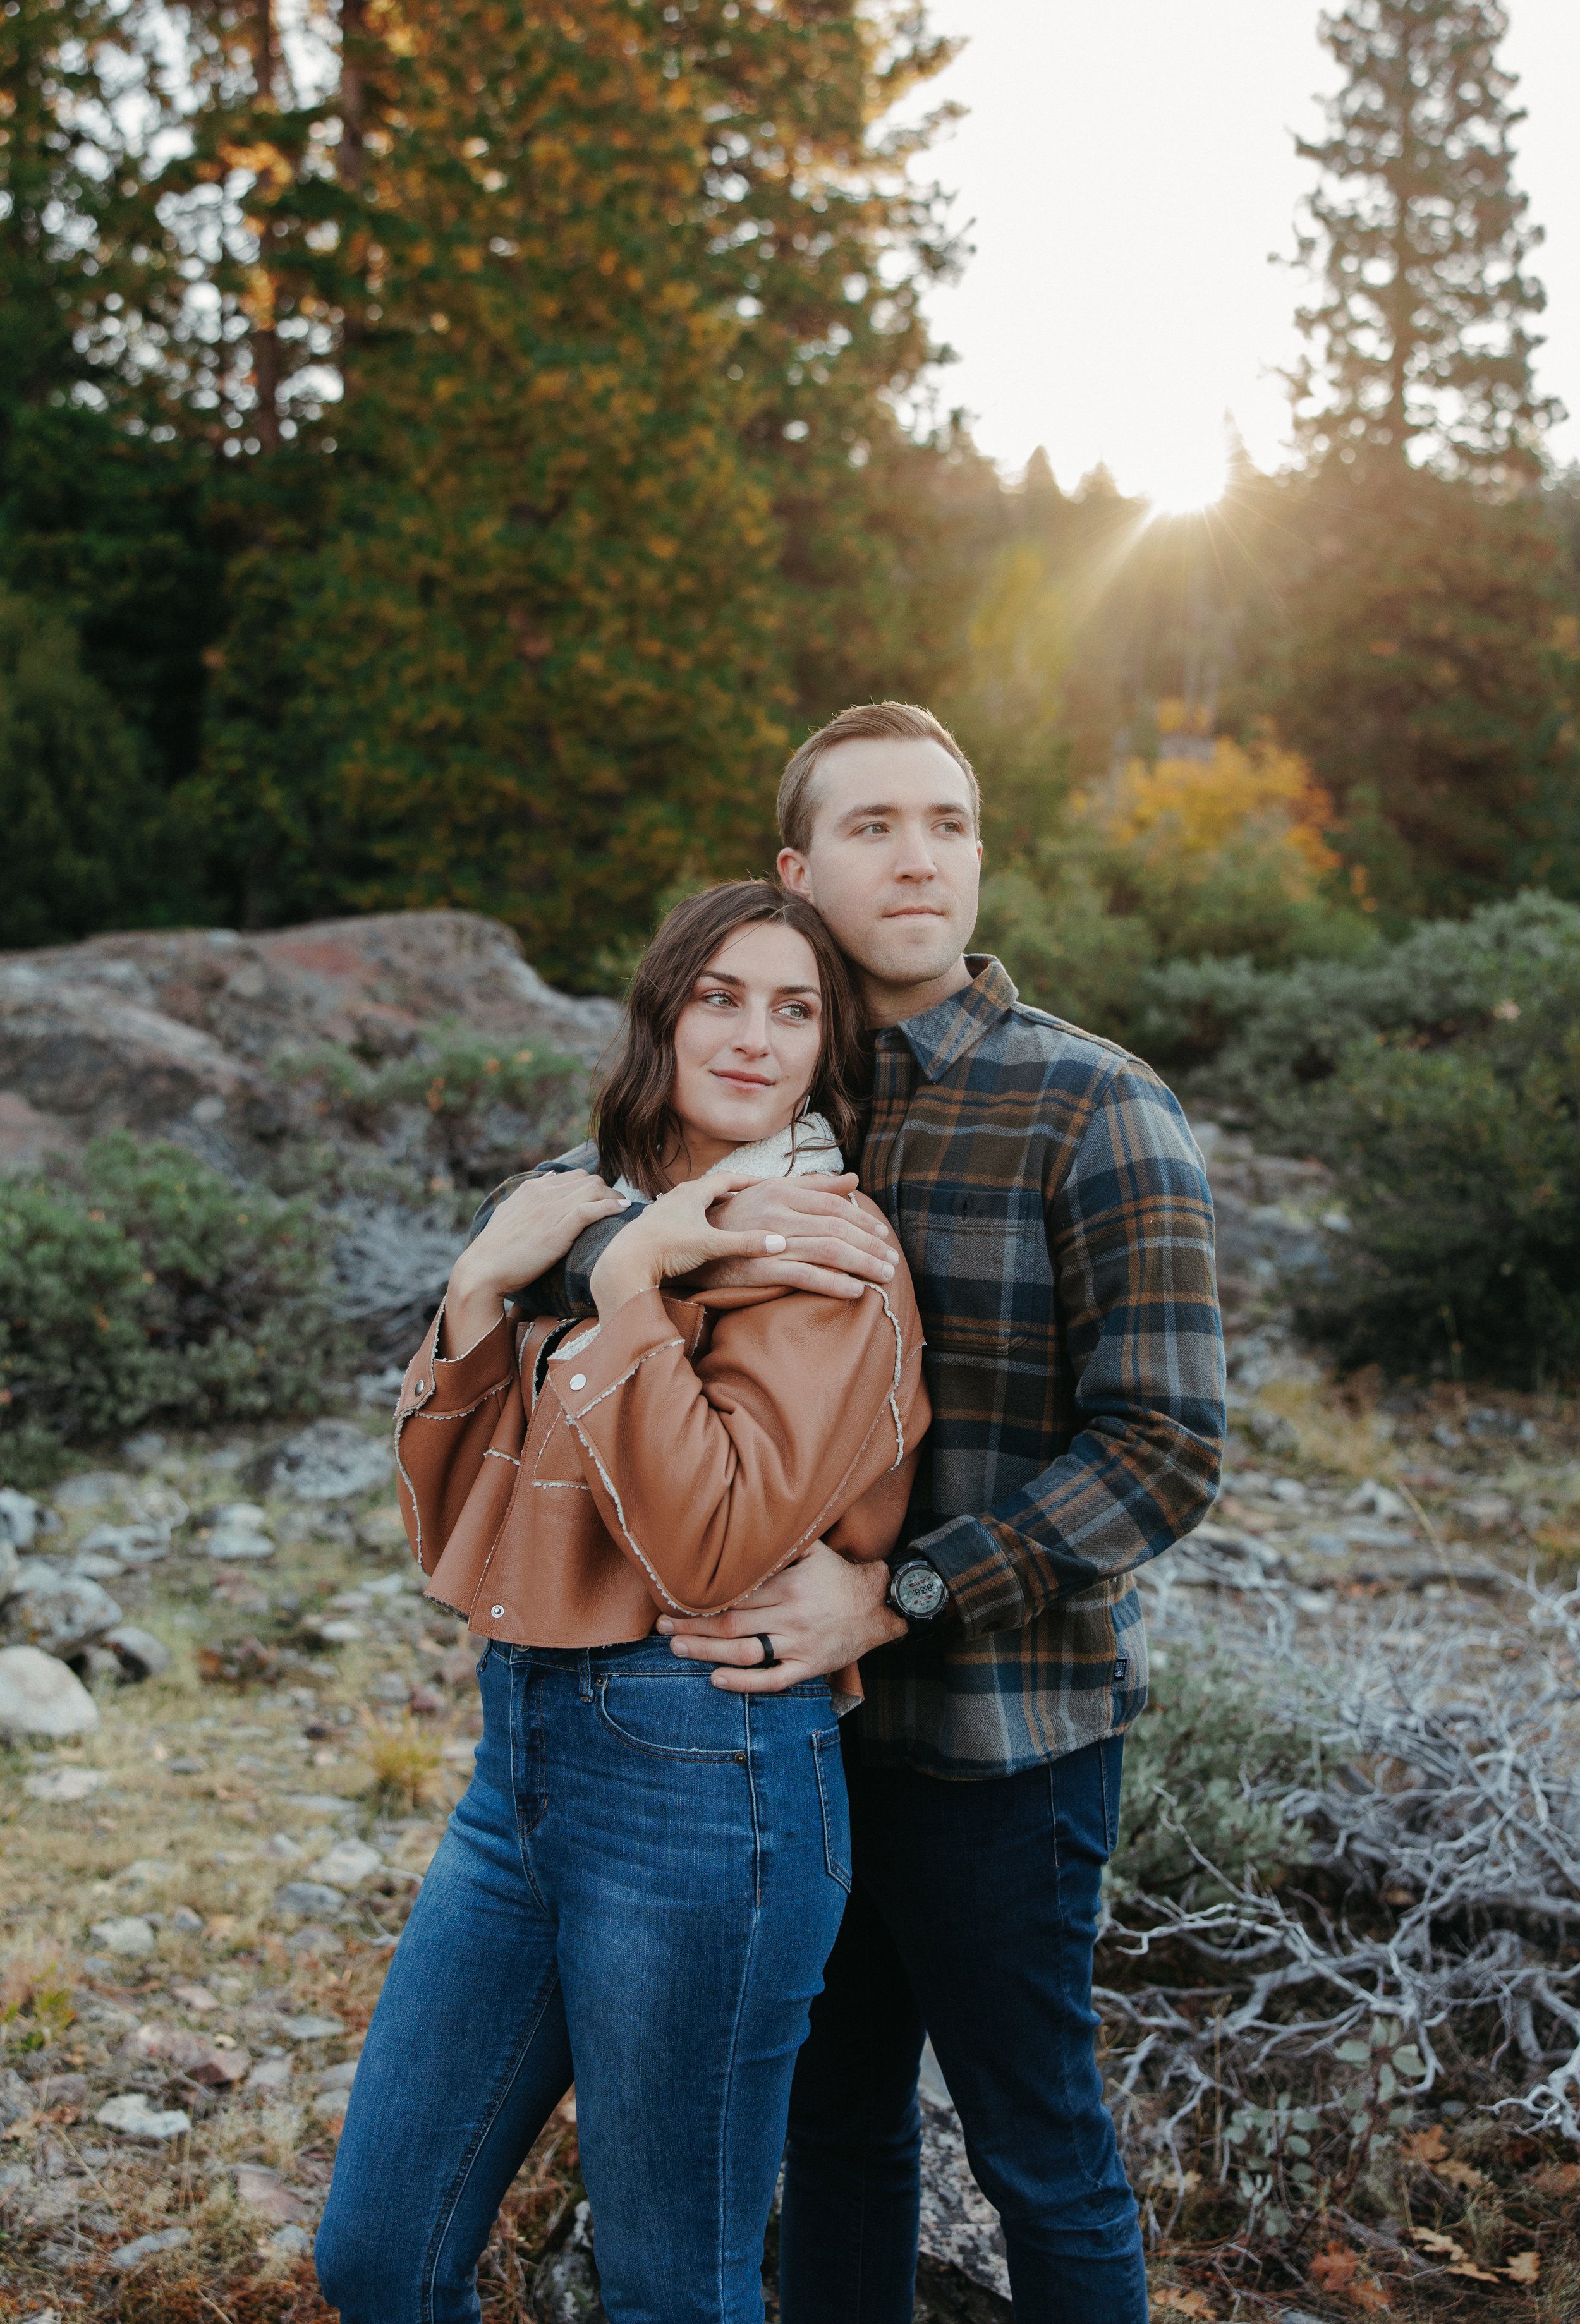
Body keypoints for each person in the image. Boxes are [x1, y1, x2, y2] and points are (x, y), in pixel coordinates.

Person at [545, 704, 1226, 2323]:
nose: (916, 855)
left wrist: (896, 1592)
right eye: (869, 827)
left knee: (1036, 2142)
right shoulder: (764, 1091)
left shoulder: (1092, 1105)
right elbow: (598, 1257)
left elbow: (1166, 1445)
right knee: (830, 2126)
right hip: (783, 1742)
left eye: (948, 822)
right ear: (796, 867)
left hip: (1003, 1743)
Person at [314, 880, 930, 2324]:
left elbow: (707, 1540)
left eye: (794, 1010)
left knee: (671, 2290)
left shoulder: (825, 1253)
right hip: (517, 1766)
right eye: (719, 994)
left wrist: (627, 1289)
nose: (752, 1036)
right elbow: (449, 1503)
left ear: (825, 1046)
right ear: (660, 1012)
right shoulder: (573, 1203)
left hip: (706, 1779)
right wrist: (488, 1278)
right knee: (378, 2258)